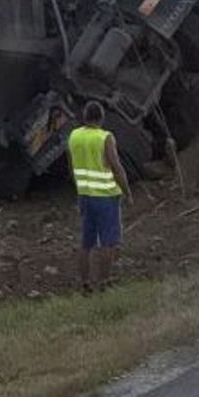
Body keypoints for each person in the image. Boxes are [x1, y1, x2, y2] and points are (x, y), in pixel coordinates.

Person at [67, 100, 131, 291]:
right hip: (105, 197)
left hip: (85, 196)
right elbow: (116, 167)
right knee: (108, 242)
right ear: (101, 118)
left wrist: (80, 187)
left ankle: (85, 283)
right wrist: (128, 192)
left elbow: (70, 167)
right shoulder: (105, 138)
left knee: (86, 243)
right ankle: (104, 282)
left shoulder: (74, 136)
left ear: (84, 117)